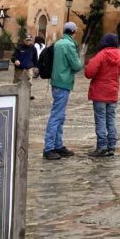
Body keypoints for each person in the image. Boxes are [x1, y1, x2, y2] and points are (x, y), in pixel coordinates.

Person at [43, 22, 84, 161]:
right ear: (73, 31)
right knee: (56, 116)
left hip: (56, 81)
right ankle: (49, 148)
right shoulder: (69, 45)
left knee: (60, 116)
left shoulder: (58, 43)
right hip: (63, 82)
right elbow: (76, 65)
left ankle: (58, 145)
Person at [84, 33, 120, 158]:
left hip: (99, 92)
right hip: (112, 91)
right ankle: (111, 146)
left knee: (101, 120)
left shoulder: (101, 55)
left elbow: (89, 73)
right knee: (111, 119)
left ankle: (102, 147)